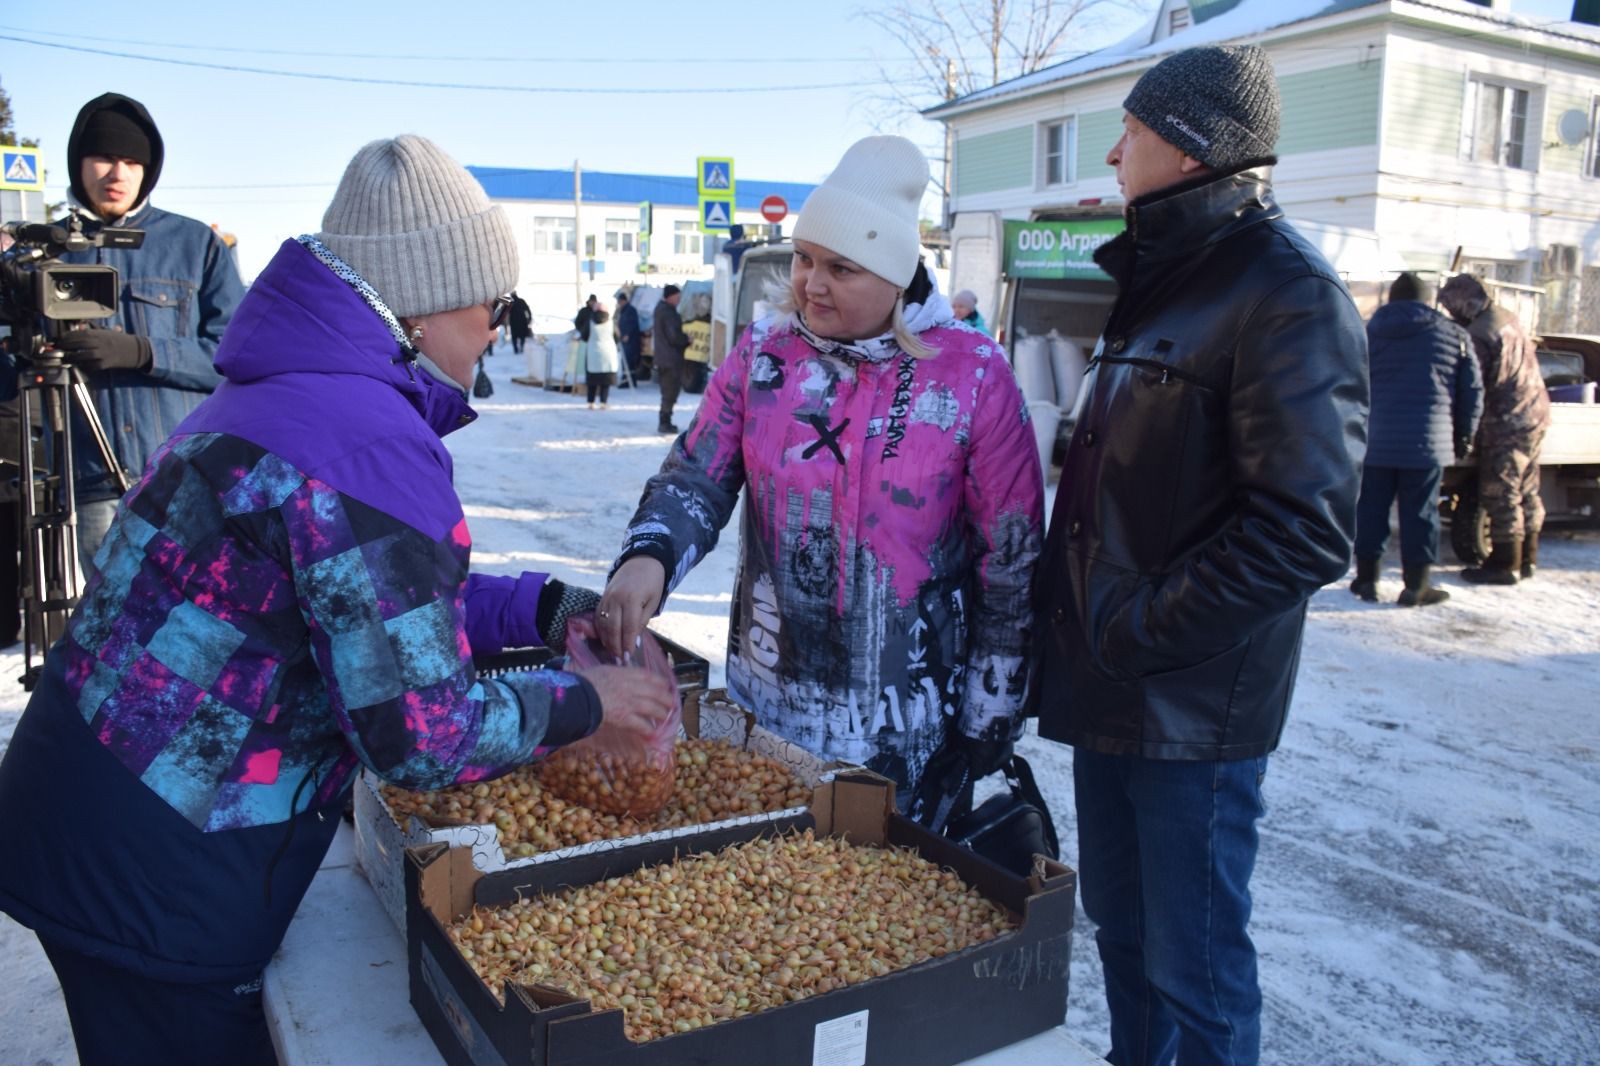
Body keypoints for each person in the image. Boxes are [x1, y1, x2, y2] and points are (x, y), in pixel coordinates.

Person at [0, 135, 676, 1066]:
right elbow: (421, 735)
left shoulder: (297, 390)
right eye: (495, 304)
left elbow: (360, 598)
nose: (496, 330)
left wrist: (541, 611)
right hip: (161, 867)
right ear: (428, 303)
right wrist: (584, 708)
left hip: (99, 812)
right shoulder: (364, 441)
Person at [1031, 46, 1368, 1065]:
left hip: (1191, 706)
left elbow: (1303, 527)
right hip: (1115, 687)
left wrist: (1134, 627)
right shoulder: (1168, 272)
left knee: (1199, 968)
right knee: (1125, 942)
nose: (1113, 147)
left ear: (1186, 147)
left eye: (1130, 128)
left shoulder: (1286, 291)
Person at [598, 135, 1043, 812]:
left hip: (909, 723)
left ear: (896, 276)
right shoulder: (766, 354)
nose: (812, 283)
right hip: (773, 702)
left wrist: (990, 712)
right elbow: (697, 477)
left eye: (842, 267)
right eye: (805, 259)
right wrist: (650, 555)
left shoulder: (971, 372)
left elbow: (1009, 559)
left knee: (889, 911)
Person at [54, 93, 246, 574]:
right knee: (112, 627)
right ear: (79, 162)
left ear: (148, 169)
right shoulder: (46, 254)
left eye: (132, 161)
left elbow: (238, 357)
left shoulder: (194, 243)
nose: (117, 173)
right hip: (91, 477)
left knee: (196, 620)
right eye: (103, 158)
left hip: (184, 473)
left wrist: (142, 352)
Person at [1351, 273, 1483, 606]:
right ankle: (1416, 586)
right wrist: (1464, 436)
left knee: (1370, 510)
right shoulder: (1454, 335)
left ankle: (1366, 580)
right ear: (1427, 301)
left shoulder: (1366, 333)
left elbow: (1350, 386)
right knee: (1421, 514)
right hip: (1427, 443)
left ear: (1391, 299)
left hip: (1376, 441)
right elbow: (1472, 392)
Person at [1438, 273, 1551, 584]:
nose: (1450, 314)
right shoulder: (1507, 318)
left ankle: (1504, 563)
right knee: (1527, 489)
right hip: (1535, 413)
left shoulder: (1479, 333)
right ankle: (1528, 558)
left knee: (1500, 491)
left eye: (1452, 307)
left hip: (1506, 421)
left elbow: (1470, 384)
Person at [651, 283, 688, 433]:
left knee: (668, 391)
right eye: (677, 297)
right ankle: (664, 422)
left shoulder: (660, 310)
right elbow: (674, 337)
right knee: (670, 391)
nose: (679, 300)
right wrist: (686, 339)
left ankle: (665, 420)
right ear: (670, 297)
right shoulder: (668, 313)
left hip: (663, 357)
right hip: (670, 359)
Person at [585, 305, 620, 408]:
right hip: (608, 352)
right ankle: (603, 402)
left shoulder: (590, 322)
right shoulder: (611, 323)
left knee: (592, 379)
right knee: (606, 379)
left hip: (593, 352)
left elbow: (584, 335)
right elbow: (617, 336)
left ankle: (591, 402)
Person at [615, 289, 643, 386]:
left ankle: (629, 381)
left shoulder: (630, 310)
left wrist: (627, 334)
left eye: (620, 301)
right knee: (625, 361)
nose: (619, 303)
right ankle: (628, 380)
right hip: (625, 339)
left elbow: (632, 324)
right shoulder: (623, 311)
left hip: (631, 340)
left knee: (629, 361)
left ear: (624, 301)